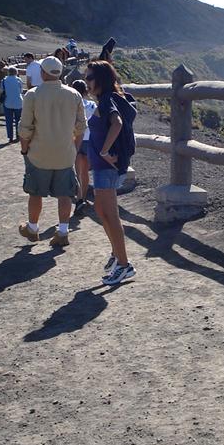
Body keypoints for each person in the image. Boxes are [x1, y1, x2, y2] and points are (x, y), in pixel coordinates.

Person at [17, 56, 86, 248]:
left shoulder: (32, 95)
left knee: (35, 193)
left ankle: (32, 228)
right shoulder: (74, 95)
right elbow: (81, 127)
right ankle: (62, 232)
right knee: (65, 194)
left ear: (42, 73)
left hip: (38, 154)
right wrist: (74, 148)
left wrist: (24, 150)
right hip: (65, 153)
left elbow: (25, 129)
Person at [85, 60, 136, 285]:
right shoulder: (105, 99)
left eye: (90, 77)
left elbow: (117, 123)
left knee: (110, 215)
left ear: (101, 80)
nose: (86, 82)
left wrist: (105, 150)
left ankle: (124, 265)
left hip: (106, 167)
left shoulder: (106, 100)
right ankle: (117, 253)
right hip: (100, 167)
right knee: (101, 210)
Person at [72, 79, 96, 211]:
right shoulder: (91, 105)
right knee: (85, 172)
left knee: (78, 170)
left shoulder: (70, 105)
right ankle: (82, 197)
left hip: (75, 139)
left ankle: (79, 196)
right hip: (88, 140)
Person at [1, 66, 23, 142]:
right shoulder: (19, 80)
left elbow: (1, 91)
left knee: (9, 120)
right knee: (18, 120)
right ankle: (18, 135)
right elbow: (21, 91)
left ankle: (10, 137)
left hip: (7, 102)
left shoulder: (3, 80)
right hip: (18, 102)